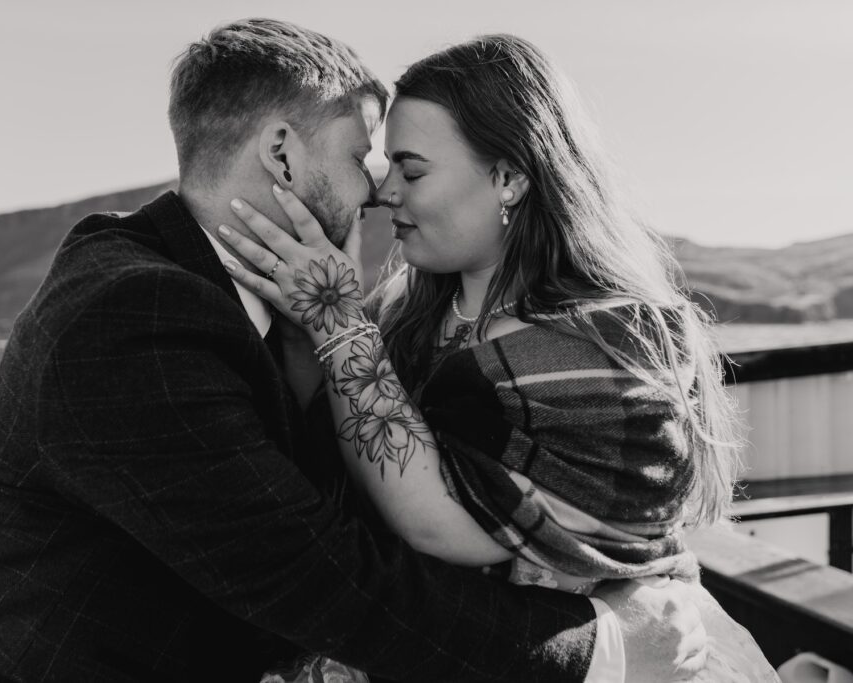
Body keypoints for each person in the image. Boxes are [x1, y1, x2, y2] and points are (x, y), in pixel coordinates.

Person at [0, 21, 705, 682]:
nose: (376, 192)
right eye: (363, 156)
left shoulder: (226, 297)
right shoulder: (133, 314)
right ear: (284, 154)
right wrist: (602, 651)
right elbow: (319, 576)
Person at [220, 34, 779, 682]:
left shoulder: (609, 342)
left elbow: (439, 524)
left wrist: (335, 318)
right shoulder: (406, 313)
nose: (383, 192)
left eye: (412, 169)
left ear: (509, 176)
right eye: (385, 166)